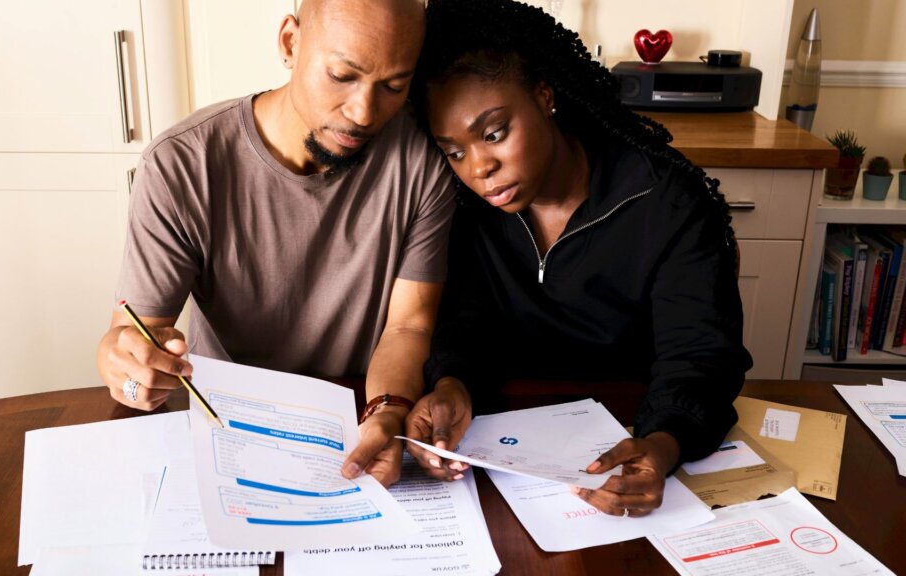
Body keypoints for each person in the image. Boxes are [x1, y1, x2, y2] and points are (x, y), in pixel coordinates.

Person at [404, 0, 753, 517]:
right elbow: (468, 322)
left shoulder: (666, 203)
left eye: (495, 133)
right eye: (454, 151)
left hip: (632, 435)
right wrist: (453, 384)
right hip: (502, 457)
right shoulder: (465, 210)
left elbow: (700, 355)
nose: (480, 167)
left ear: (545, 96)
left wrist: (660, 446)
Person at [97, 0, 456, 487]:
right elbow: (133, 336)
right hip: (226, 428)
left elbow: (408, 327)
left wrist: (387, 413)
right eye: (341, 75)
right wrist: (129, 368)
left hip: (356, 417)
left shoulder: (420, 162)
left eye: (393, 85)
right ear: (290, 42)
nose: (363, 112)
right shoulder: (182, 164)